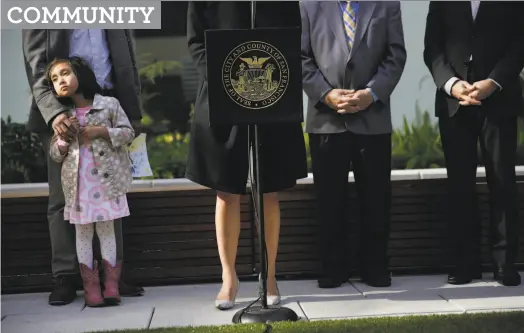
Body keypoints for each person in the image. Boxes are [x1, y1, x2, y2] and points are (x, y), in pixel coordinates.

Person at [186, 1, 308, 310]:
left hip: (272, 95)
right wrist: (222, 80)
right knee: (226, 190)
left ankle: (269, 276)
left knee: (269, 189)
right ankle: (229, 278)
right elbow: (196, 42)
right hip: (221, 95)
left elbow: (294, 36)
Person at [22, 29, 145, 306]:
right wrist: (55, 112)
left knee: (112, 190)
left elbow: (127, 60)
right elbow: (37, 66)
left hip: (108, 103)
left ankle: (112, 275)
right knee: (62, 197)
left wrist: (133, 109)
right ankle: (66, 276)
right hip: (61, 107)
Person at [300, 1, 406, 289]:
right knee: (329, 199)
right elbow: (300, 58)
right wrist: (326, 93)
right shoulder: (309, 5)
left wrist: (371, 94)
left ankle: (375, 267)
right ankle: (333, 268)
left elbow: (395, 56)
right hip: (326, 119)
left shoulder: (386, 5)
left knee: (375, 198)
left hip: (372, 117)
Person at [423, 1, 524, 286]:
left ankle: (504, 263)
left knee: (502, 180)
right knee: (459, 184)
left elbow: (520, 43)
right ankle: (464, 263)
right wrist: (452, 84)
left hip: (500, 100)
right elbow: (432, 48)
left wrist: (493, 82)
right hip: (454, 103)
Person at [47, 57, 135, 307]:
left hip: (107, 185)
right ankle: (91, 288)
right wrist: (64, 137)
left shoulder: (108, 105)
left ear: (81, 74)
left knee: (107, 232)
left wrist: (103, 132)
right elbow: (55, 154)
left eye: (65, 73)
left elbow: (128, 133)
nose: (60, 80)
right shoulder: (61, 117)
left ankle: (111, 285)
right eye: (54, 79)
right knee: (83, 234)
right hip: (79, 189)